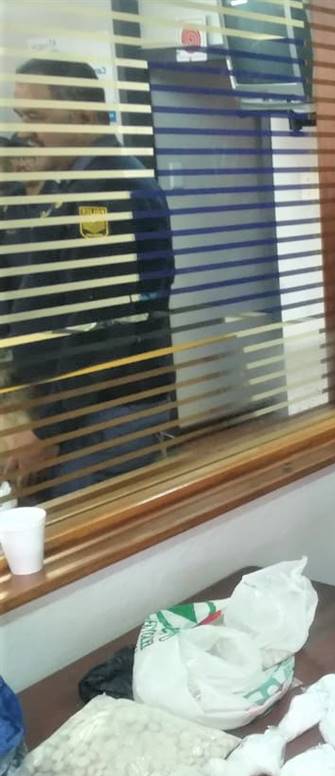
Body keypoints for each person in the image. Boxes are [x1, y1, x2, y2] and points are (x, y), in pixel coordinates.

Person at [0, 58, 175, 501]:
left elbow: (104, 327)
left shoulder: (108, 193)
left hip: (97, 415)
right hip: (75, 410)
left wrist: (48, 428)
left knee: (82, 527)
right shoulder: (77, 187)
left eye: (35, 117)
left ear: (84, 117)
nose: (24, 132)